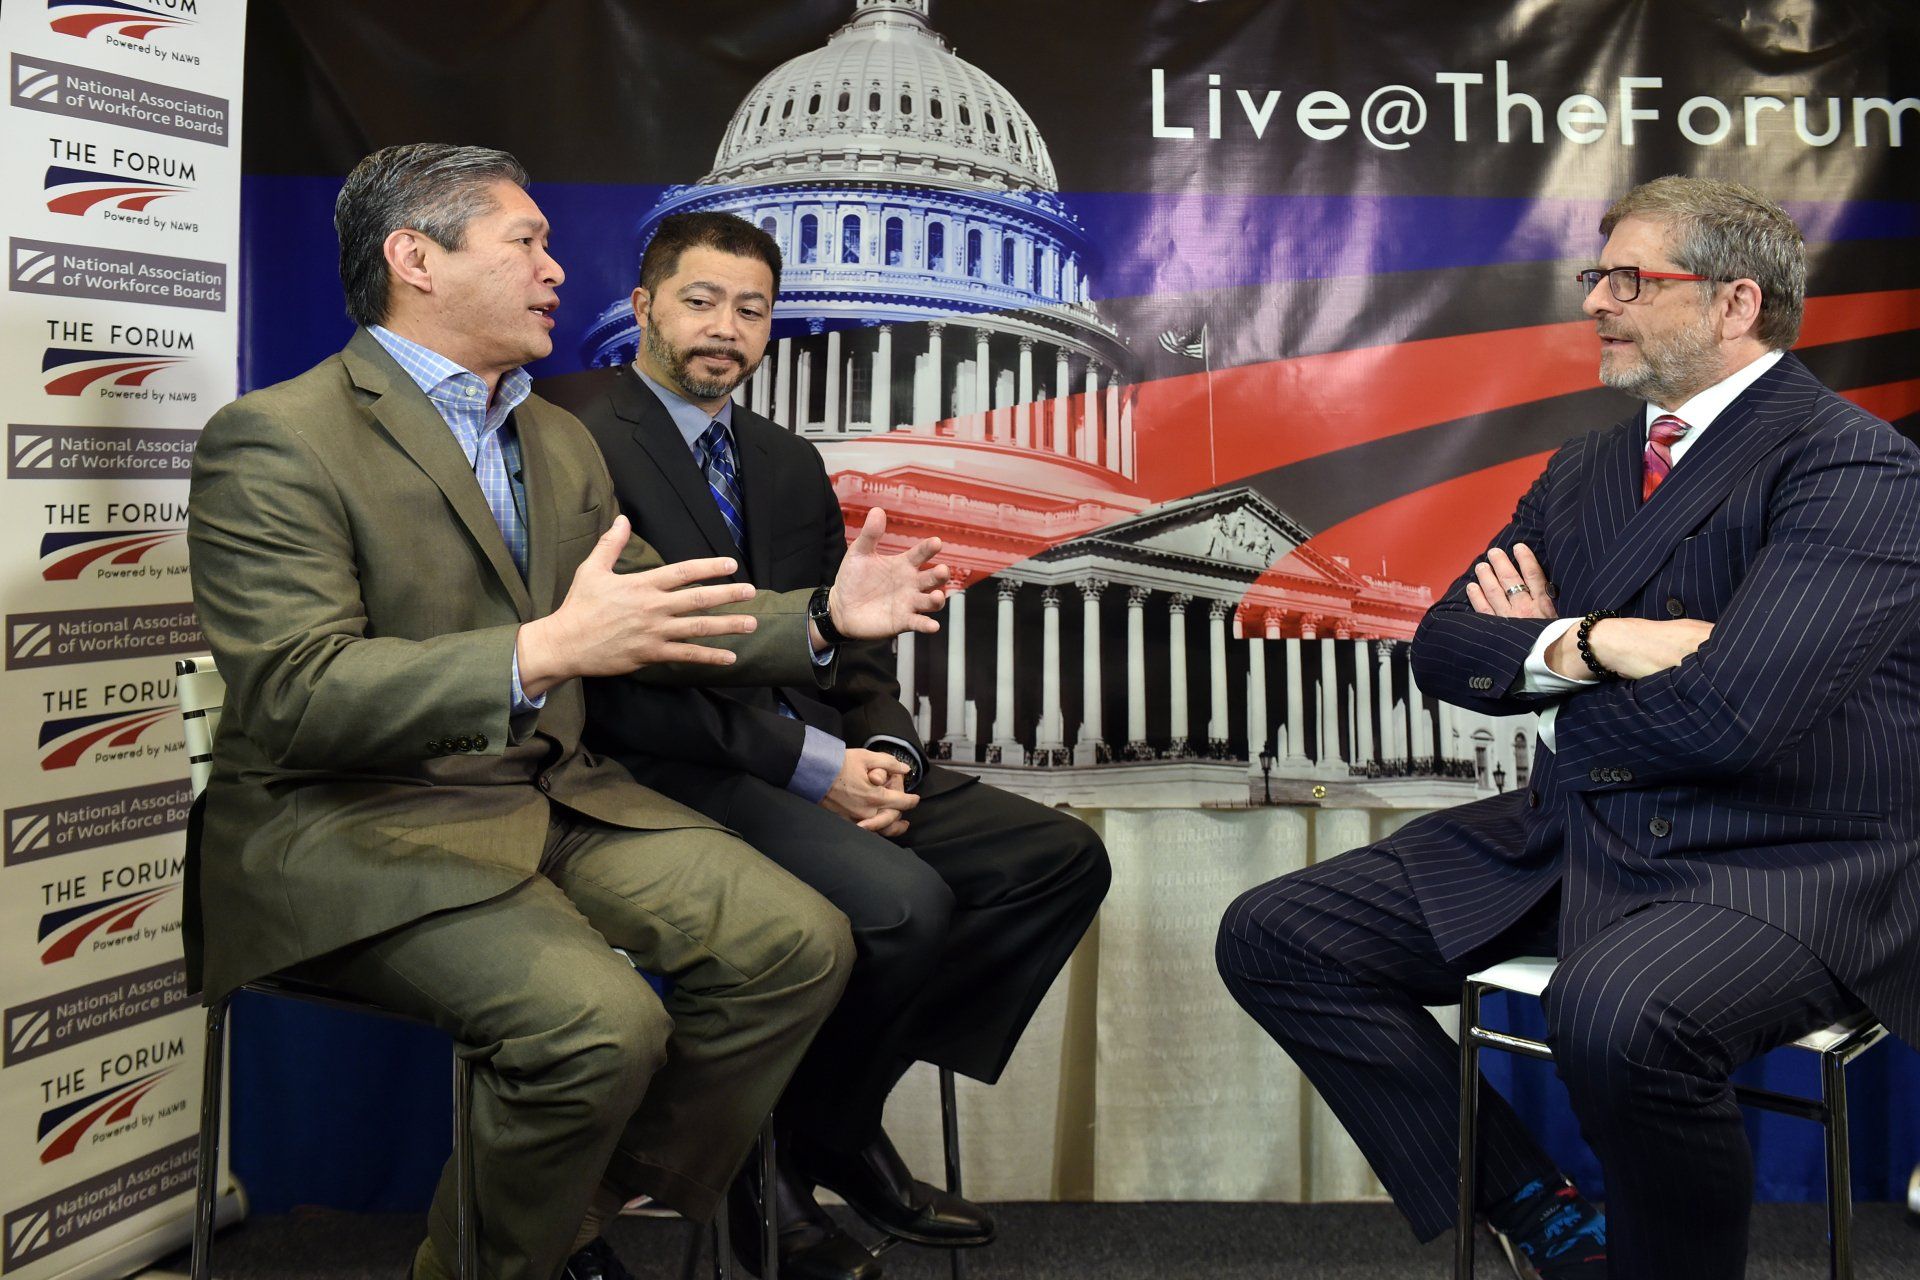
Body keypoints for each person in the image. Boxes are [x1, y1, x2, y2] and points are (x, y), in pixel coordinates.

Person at [186, 144, 954, 1280]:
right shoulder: (279, 439)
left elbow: (663, 608)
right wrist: (543, 649)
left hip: (547, 794)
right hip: (349, 818)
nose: (559, 268)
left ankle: (551, 1219)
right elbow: (299, 696)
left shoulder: (552, 434)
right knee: (599, 1022)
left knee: (795, 943)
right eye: (527, 242)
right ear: (416, 259)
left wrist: (823, 621)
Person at [1216, 175, 1920, 1280]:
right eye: (1597, 275)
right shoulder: (1590, 464)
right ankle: (1542, 1213)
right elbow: (1445, 646)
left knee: (1620, 1013)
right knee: (1279, 933)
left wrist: (1540, 674)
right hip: (1590, 826)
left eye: (1631, 279)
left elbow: (1735, 717)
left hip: (1788, 852)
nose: (1595, 300)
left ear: (1737, 303)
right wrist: (1595, 643)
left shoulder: (1855, 465)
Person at [546, 212, 1111, 1280]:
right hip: (660, 765)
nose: (726, 328)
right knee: (903, 905)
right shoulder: (569, 434)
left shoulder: (786, 459)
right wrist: (822, 773)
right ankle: (777, 1164)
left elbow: (847, 644)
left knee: (1055, 859)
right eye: (702, 300)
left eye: (751, 309)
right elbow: (645, 665)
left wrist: (884, 749)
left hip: (807, 757)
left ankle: (815, 1126)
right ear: (645, 307)